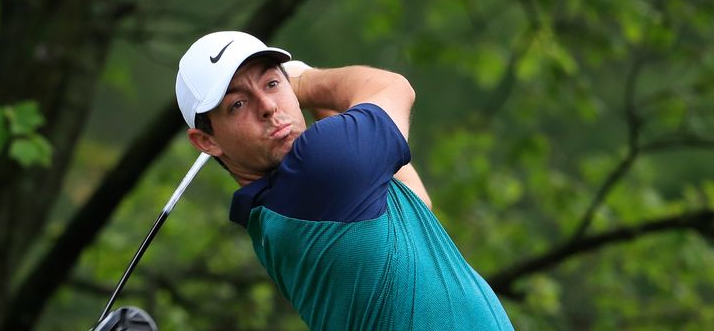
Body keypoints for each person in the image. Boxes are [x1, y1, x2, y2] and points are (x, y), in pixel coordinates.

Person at [175, 30, 513, 330]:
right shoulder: (315, 170)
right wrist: (304, 82)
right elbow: (395, 88)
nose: (267, 106)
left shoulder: (271, 216)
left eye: (272, 84)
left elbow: (415, 198)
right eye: (237, 104)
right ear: (207, 141)